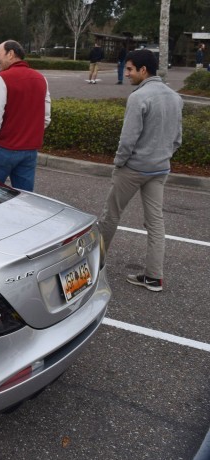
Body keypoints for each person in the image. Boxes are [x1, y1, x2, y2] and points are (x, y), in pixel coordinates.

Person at [97, 49, 182, 293]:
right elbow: (177, 138)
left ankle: (95, 265)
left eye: (130, 69)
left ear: (143, 70)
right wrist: (162, 156)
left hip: (133, 168)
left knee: (110, 215)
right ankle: (155, 277)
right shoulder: (175, 98)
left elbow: (128, 139)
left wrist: (119, 161)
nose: (127, 73)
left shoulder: (139, 97)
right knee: (156, 222)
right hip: (160, 168)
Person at [0, 40, 50, 192]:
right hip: (30, 150)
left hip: (3, 148)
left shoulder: (3, 78)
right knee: (25, 198)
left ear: (11, 54)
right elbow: (46, 117)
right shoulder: (41, 79)